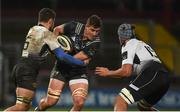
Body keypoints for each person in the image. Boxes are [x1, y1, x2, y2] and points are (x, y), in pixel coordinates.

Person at [4, 8, 86, 111]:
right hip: (28, 70)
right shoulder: (47, 34)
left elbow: (41, 49)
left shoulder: (32, 29)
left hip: (20, 67)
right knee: (20, 107)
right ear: (51, 21)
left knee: (26, 106)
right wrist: (80, 63)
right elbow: (62, 56)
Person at [95, 23, 170, 111]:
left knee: (121, 100)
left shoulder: (128, 44)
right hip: (164, 77)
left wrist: (108, 73)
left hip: (152, 72)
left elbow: (126, 72)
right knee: (143, 107)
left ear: (120, 37)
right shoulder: (140, 44)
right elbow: (130, 70)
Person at [35, 15, 102, 111]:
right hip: (61, 68)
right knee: (50, 102)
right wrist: (54, 46)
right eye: (92, 30)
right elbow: (57, 30)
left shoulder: (96, 42)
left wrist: (60, 54)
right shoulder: (74, 26)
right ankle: (38, 109)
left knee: (80, 102)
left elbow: (77, 59)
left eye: (97, 31)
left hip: (78, 71)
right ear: (86, 27)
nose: (95, 34)